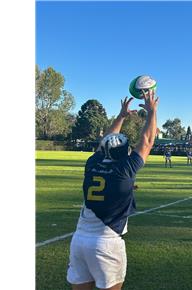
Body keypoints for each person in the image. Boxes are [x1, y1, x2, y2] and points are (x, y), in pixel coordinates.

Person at [67, 92, 159, 290]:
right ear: (126, 152)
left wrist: (121, 116)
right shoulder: (125, 169)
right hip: (106, 243)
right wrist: (152, 111)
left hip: (79, 239)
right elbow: (147, 140)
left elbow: (107, 141)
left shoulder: (92, 163)